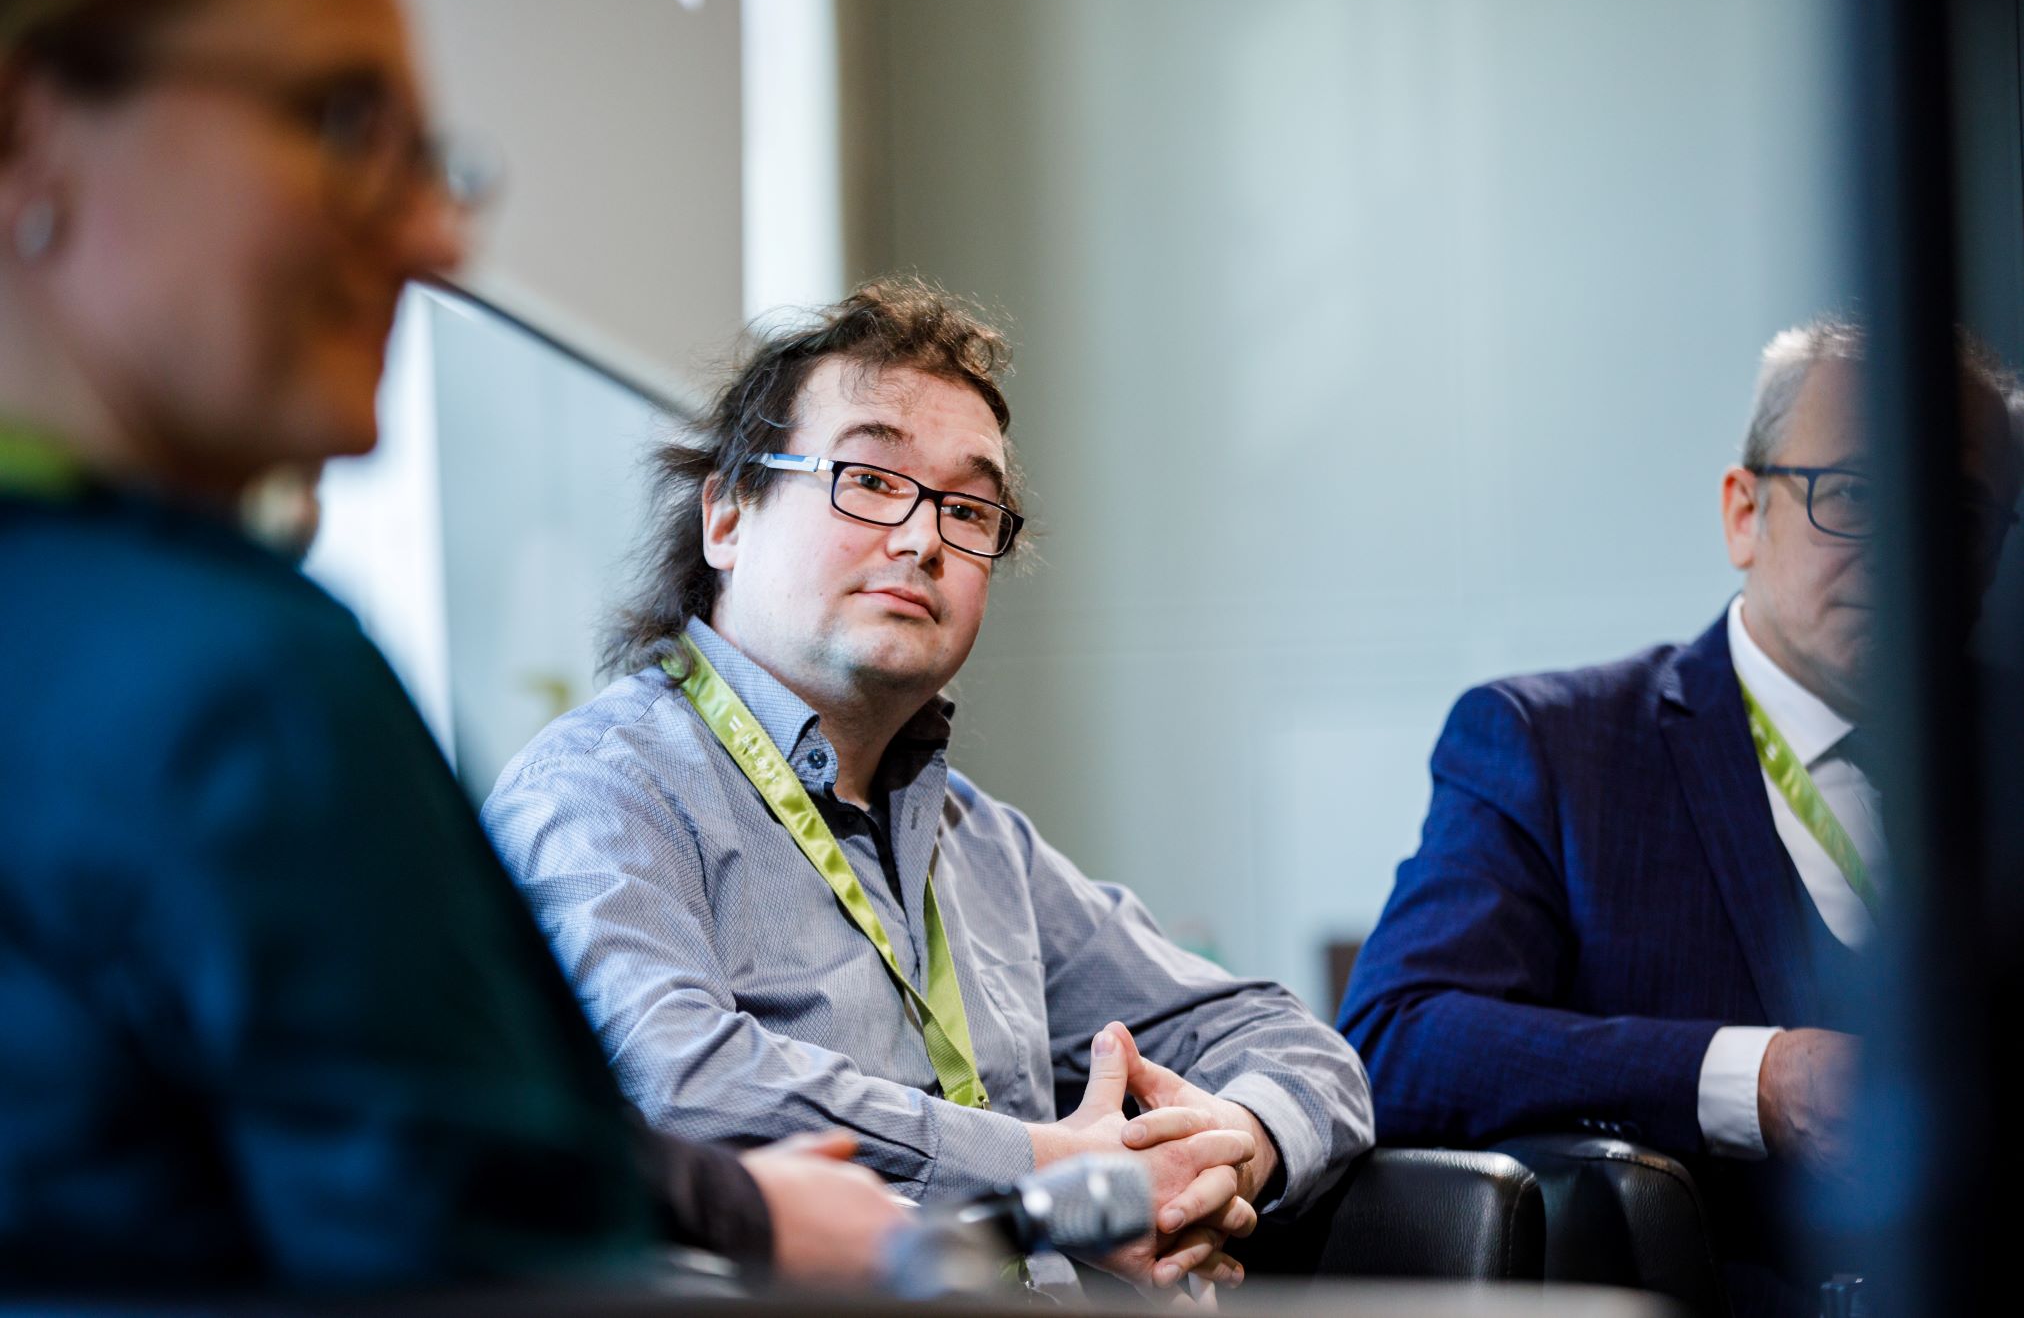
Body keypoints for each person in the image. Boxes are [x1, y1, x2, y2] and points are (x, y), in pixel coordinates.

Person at [0, 0, 900, 1292]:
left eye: (433, 164)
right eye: (343, 123)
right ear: (31, 131)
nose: (432, 237)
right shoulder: (242, 695)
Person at [482, 278, 1376, 1294]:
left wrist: (1225, 1148)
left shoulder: (982, 842)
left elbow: (1289, 1040)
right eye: (868, 479)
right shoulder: (598, 791)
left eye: (967, 505)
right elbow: (675, 1082)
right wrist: (1051, 1175)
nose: (922, 539)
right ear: (726, 516)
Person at [1337, 317, 2024, 1313]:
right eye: (1853, 495)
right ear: (1743, 512)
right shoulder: (1554, 746)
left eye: (1956, 512)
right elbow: (1396, 1038)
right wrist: (1756, 1079)